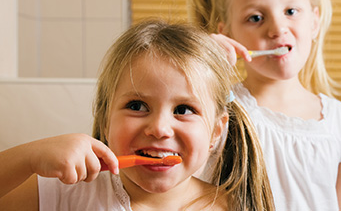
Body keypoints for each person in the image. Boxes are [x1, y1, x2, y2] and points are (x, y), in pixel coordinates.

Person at [0, 19, 274, 211]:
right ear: (106, 119)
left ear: (215, 132)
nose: (159, 128)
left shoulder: (237, 206)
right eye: (137, 106)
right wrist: (29, 157)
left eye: (183, 110)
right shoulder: (63, 193)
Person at [188, 0, 341, 211]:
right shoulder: (219, 112)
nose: (277, 29)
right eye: (256, 18)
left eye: (291, 11)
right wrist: (202, 62)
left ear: (314, 22)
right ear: (227, 32)